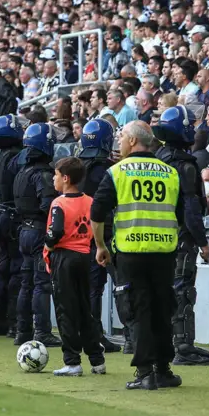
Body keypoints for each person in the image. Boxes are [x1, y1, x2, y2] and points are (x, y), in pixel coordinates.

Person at [90, 121, 192, 391]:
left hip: (131, 252)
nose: (119, 141)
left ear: (134, 141)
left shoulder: (118, 172)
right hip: (164, 252)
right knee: (162, 311)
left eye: (122, 136)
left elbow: (97, 213)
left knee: (137, 312)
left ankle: (145, 372)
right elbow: (181, 215)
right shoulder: (170, 173)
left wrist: (100, 246)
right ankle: (163, 370)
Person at [152, 106, 209, 366]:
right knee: (183, 290)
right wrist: (202, 242)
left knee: (160, 289)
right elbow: (190, 208)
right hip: (180, 235)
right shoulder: (185, 165)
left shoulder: (157, 159)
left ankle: (159, 342)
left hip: (155, 234)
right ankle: (183, 346)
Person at [44, 157, 106, 376]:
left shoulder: (58, 204)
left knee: (66, 311)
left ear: (66, 178)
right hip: (85, 256)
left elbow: (56, 231)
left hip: (64, 258)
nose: (54, 178)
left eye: (56, 174)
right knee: (84, 309)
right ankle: (97, 360)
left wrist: (48, 245)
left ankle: (72, 361)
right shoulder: (90, 201)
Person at [12, 122, 61, 346]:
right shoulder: (43, 174)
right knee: (41, 283)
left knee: (26, 283)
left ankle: (22, 331)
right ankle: (41, 331)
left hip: (24, 230)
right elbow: (48, 204)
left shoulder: (22, 172)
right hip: (39, 231)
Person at [78, 119, 122, 354]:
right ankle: (128, 335)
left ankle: (91, 334)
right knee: (120, 286)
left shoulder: (76, 167)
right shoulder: (109, 169)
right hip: (105, 235)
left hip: (79, 235)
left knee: (89, 289)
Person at [0, 115, 23, 338]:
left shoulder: (0, 158)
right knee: (17, 270)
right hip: (14, 216)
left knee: (4, 268)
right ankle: (13, 322)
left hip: (2, 214)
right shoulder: (15, 157)